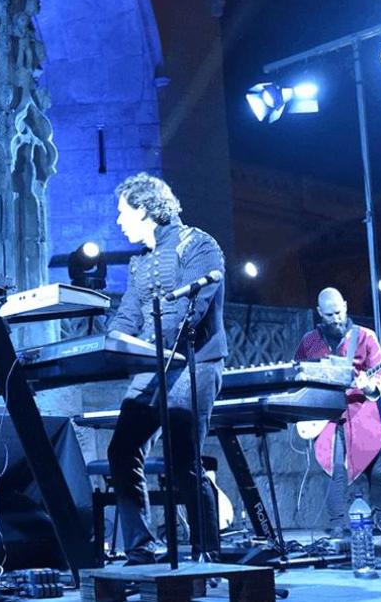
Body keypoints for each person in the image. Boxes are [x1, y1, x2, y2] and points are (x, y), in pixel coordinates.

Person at [105, 172, 226, 564]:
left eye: (124, 213)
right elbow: (127, 315)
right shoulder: (139, 264)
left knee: (182, 460)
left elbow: (183, 318)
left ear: (144, 208)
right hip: (153, 363)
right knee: (122, 448)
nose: (120, 221)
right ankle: (141, 549)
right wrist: (110, 343)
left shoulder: (199, 245)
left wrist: (140, 347)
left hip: (194, 362)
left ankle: (206, 554)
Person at [294, 287, 381, 538]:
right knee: (335, 468)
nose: (335, 318)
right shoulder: (309, 341)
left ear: (345, 306)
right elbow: (299, 373)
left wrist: (368, 384)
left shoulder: (365, 336)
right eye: (328, 315)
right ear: (319, 313)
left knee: (377, 469)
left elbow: (378, 372)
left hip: (361, 411)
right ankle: (337, 524)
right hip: (327, 414)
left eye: (338, 312)